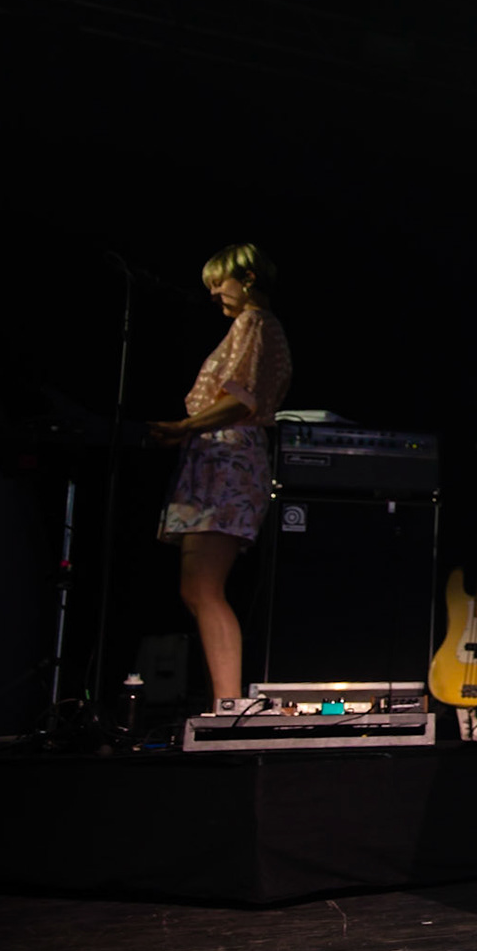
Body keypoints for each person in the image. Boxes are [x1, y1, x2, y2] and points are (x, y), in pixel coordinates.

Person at [148, 244, 293, 714]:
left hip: (227, 458)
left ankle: (228, 705)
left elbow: (242, 399)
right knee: (198, 588)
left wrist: (184, 427)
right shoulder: (252, 327)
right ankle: (227, 702)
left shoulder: (254, 323)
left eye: (219, 283)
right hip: (219, 457)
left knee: (204, 587)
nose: (213, 293)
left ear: (248, 278)